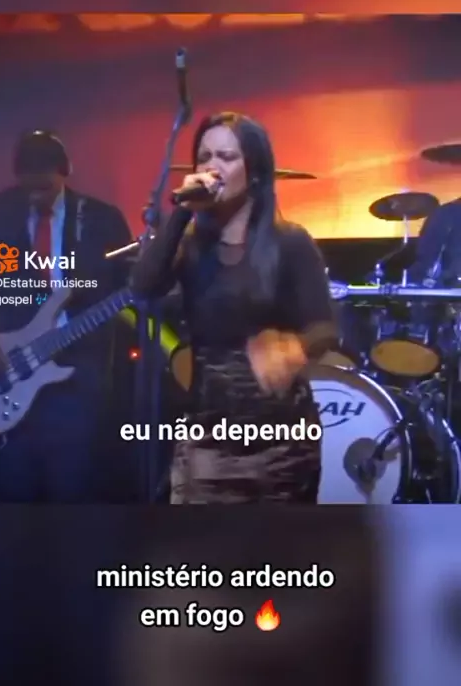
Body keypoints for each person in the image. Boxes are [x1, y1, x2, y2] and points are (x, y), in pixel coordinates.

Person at [131, 112, 338, 504]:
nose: (212, 167)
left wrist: (293, 348)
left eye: (226, 157)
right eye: (204, 157)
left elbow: (325, 327)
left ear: (254, 172)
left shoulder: (290, 242)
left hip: (283, 445)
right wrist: (182, 210)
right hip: (208, 444)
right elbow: (143, 287)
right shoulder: (190, 245)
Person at [0, 130, 132, 502]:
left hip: (76, 379)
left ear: (65, 172)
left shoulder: (101, 220)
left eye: (44, 185)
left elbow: (130, 284)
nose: (36, 194)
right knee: (12, 496)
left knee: (72, 493)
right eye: (28, 184)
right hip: (4, 373)